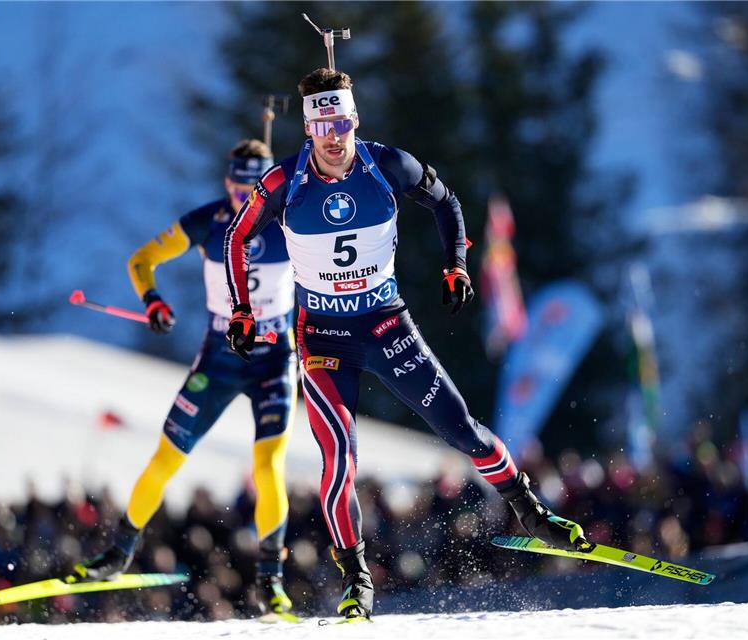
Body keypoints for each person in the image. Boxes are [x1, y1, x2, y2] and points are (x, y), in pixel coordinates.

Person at [222, 69, 588, 621]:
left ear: (355, 120)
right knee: (338, 458)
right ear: (307, 128)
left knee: (462, 427)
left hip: (385, 322)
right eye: (322, 124)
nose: (334, 135)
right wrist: (242, 309)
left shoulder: (386, 163)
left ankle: (532, 512)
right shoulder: (283, 183)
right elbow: (236, 237)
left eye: (342, 121)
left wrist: (456, 266)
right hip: (323, 338)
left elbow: (448, 204)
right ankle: (357, 578)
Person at [68, 139, 299, 620]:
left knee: (267, 466)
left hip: (275, 360)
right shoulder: (209, 221)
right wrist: (152, 300)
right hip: (219, 358)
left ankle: (271, 579)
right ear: (226, 184)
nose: (243, 200)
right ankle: (119, 553)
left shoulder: (291, 217)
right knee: (164, 458)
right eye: (237, 189)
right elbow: (140, 261)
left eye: (253, 189)